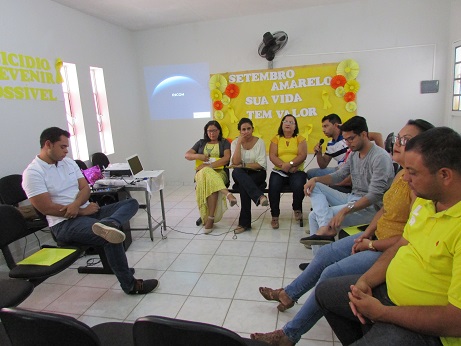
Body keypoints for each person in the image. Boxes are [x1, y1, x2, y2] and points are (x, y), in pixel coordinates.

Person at [250, 119, 434, 346]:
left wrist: (368, 241)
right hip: (372, 232)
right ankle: (289, 294)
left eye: (405, 140)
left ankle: (289, 334)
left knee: (329, 272)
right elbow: (385, 208)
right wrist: (366, 234)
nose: (397, 143)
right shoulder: (400, 174)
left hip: (382, 243)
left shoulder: (416, 182)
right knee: (324, 252)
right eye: (398, 139)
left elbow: (392, 218)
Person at [316, 127, 461, 346]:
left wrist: (382, 313)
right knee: (326, 292)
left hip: (430, 331)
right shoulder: (426, 201)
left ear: (444, 175)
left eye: (413, 173)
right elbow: (402, 244)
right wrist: (366, 281)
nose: (406, 179)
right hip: (388, 296)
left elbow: (455, 321)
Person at [22, 127, 159, 295]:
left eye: (67, 147)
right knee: (109, 236)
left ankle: (110, 222)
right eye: (62, 147)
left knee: (130, 203)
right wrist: (81, 211)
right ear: (48, 144)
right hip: (64, 224)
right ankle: (130, 285)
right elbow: (45, 207)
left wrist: (80, 206)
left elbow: (85, 188)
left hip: (87, 212)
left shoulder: (68, 163)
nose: (66, 151)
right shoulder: (33, 173)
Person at [301, 116, 394, 255]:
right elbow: (339, 175)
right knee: (316, 185)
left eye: (351, 138)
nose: (348, 143)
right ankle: (323, 242)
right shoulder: (354, 154)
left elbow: (374, 195)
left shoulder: (380, 157)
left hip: (370, 207)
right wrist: (315, 179)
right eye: (346, 140)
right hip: (352, 197)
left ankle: (323, 244)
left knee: (314, 215)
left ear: (364, 134)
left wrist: (344, 211)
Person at [185, 120, 237, 233]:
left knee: (209, 181)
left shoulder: (224, 143)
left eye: (214, 130)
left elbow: (226, 158)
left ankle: (210, 217)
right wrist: (199, 156)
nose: (211, 133)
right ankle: (227, 194)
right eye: (209, 131)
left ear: (219, 131)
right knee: (204, 173)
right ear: (206, 132)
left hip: (220, 173)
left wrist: (209, 166)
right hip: (201, 175)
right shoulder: (201, 143)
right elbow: (187, 155)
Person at [268, 114, 307, 229]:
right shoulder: (276, 138)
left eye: (291, 122)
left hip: (296, 170)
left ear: (295, 126)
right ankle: (275, 215)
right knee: (273, 186)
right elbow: (272, 155)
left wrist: (290, 164)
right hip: (279, 170)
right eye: (286, 121)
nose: (288, 124)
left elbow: (302, 155)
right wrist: (282, 165)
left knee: (299, 185)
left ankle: (297, 208)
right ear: (282, 124)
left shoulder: (300, 138)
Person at [229, 118, 268, 234]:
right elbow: (235, 163)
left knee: (244, 186)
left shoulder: (260, 142)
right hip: (241, 174)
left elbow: (261, 164)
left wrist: (244, 165)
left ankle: (244, 224)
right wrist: (239, 144)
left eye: (248, 129)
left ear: (253, 129)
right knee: (237, 172)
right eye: (243, 129)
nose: (246, 131)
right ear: (239, 131)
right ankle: (260, 197)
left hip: (257, 173)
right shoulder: (235, 143)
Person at [306, 113, 348, 179]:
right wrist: (319, 153)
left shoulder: (348, 137)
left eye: (326, 126)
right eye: (322, 127)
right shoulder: (330, 144)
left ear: (336, 125)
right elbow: (323, 165)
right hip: (339, 169)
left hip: (350, 170)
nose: (323, 130)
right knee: (310, 173)